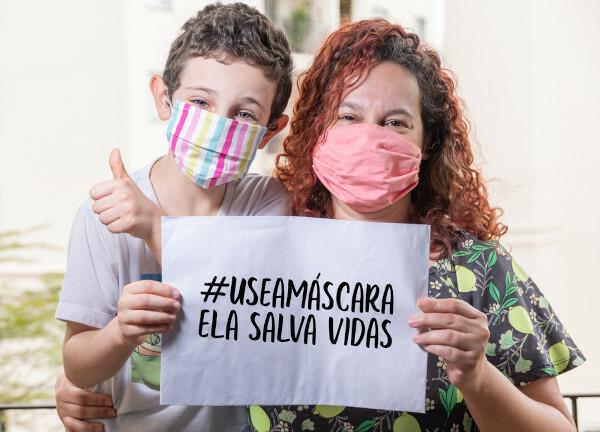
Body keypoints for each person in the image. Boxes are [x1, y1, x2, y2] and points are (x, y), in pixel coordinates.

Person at [248, 19, 584, 432]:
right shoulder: (263, 256)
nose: (369, 137)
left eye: (395, 123)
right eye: (348, 116)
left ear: (427, 145)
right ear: (318, 132)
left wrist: (477, 377)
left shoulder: (480, 273)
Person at [54, 3, 293, 431]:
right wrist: (120, 333)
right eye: (200, 101)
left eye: (244, 114)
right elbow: (78, 366)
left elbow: (242, 316)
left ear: (269, 132)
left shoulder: (266, 202)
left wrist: (153, 226)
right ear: (164, 99)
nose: (218, 125)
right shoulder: (104, 216)